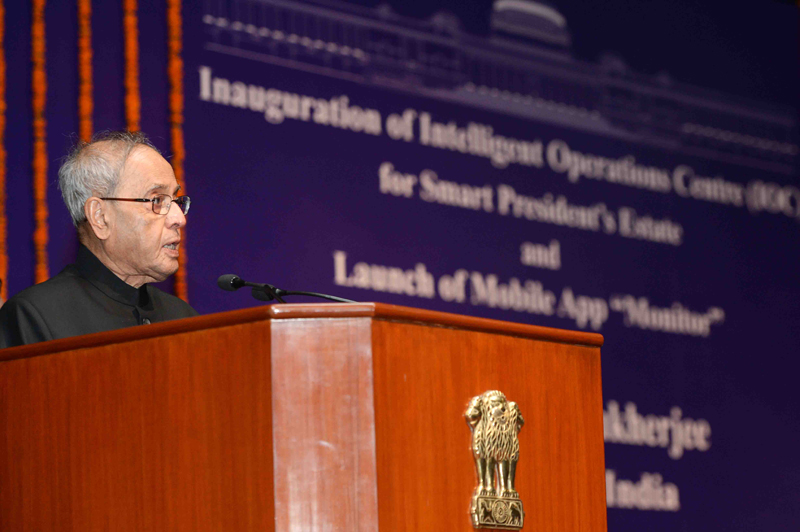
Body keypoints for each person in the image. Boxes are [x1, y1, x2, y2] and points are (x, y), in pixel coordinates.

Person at [0, 131, 198, 348]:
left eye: (177, 200)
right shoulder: (35, 317)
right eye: (157, 200)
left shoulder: (184, 319)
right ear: (100, 217)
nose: (178, 218)